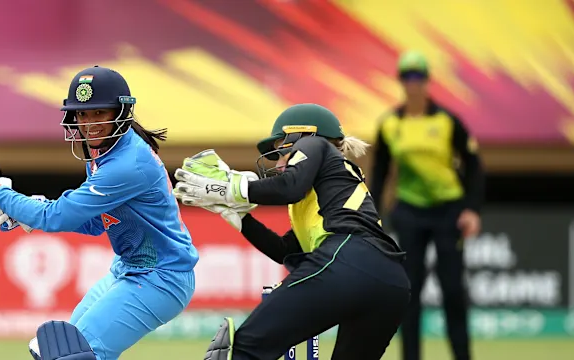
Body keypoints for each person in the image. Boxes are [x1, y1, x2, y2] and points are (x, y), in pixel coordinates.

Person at [0, 65, 198, 360]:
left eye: (99, 113)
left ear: (121, 113)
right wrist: (27, 211)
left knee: (75, 355)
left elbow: (58, 216)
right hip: (129, 270)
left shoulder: (127, 164)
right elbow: (97, 222)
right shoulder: (105, 152)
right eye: (83, 114)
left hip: (159, 278)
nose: (89, 123)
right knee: (54, 351)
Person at [174, 103, 410, 360]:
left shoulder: (314, 144)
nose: (279, 163)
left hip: (349, 257)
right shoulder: (328, 191)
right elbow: (283, 250)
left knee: (242, 349)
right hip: (392, 282)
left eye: (283, 152)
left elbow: (290, 187)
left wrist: (231, 189)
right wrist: (237, 215)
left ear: (302, 135)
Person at [369, 51, 484, 360]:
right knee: (409, 293)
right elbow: (380, 173)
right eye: (407, 77)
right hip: (409, 212)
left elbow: (473, 164)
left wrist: (471, 208)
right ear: (401, 81)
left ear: (427, 81)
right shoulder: (390, 124)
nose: (413, 83)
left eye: (418, 76)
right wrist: (372, 218)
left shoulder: (446, 121)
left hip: (448, 211)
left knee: (452, 291)